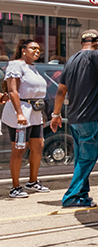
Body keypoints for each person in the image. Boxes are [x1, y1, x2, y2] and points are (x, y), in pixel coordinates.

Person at [50, 23, 98, 207]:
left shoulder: (71, 60)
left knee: (81, 160)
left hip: (75, 119)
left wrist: (56, 114)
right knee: (86, 160)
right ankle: (71, 197)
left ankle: (82, 195)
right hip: (91, 118)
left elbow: (60, 91)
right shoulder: (95, 55)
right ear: (97, 42)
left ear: (82, 42)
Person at [2, 40, 50, 198]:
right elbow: (13, 91)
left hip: (34, 114)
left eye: (39, 49)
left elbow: (35, 93)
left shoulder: (33, 68)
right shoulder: (17, 65)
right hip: (21, 112)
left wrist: (40, 114)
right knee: (19, 148)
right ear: (23, 50)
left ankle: (32, 181)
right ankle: (15, 187)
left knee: (38, 146)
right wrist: (19, 113)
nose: (37, 51)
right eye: (33, 48)